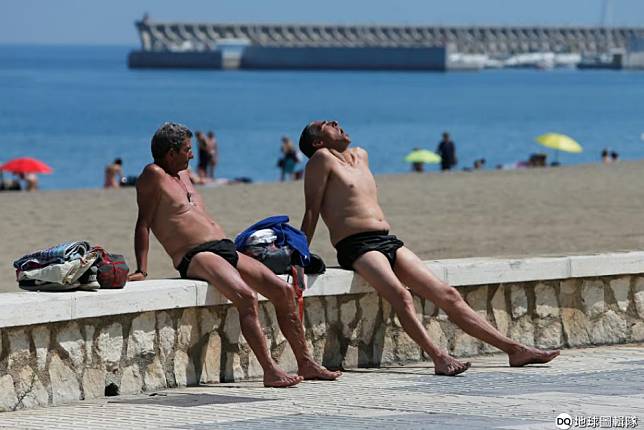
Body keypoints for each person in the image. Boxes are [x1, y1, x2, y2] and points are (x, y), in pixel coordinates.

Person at [298, 120, 559, 376]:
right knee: (401, 295)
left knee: (448, 294)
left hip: (387, 240)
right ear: (318, 142)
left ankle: (514, 349)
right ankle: (439, 357)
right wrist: (299, 255)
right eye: (324, 125)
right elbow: (312, 211)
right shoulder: (321, 160)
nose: (334, 122)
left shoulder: (361, 155)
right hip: (356, 246)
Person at [128, 122, 340, 387]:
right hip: (196, 255)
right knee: (246, 297)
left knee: (283, 291)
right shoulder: (152, 175)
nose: (192, 155)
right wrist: (142, 269)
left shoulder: (183, 175)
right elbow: (143, 223)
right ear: (170, 153)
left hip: (224, 248)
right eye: (186, 150)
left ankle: (306, 363)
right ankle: (270, 371)